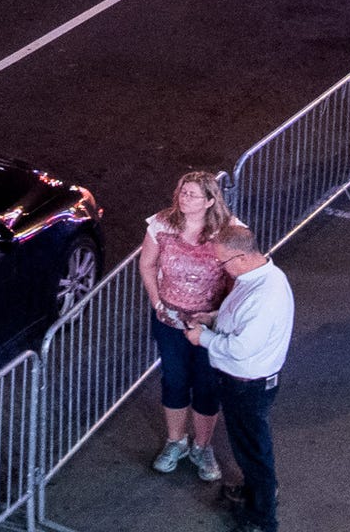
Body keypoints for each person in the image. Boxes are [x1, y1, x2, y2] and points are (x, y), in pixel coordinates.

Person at [137, 171, 239, 483]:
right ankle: (175, 441)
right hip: (170, 322)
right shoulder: (162, 224)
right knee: (175, 380)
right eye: (183, 192)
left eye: (193, 194)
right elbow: (147, 264)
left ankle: (202, 446)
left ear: (210, 200)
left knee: (207, 385)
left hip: (210, 326)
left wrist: (216, 313)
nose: (184, 198)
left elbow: (239, 278)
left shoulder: (229, 232)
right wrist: (157, 303)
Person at [186, 229, 291, 532]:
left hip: (247, 384)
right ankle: (256, 493)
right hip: (248, 382)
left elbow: (243, 346)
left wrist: (202, 337)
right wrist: (213, 318)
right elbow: (239, 320)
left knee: (253, 451)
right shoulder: (260, 279)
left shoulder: (263, 295)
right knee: (250, 447)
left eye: (223, 262)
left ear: (243, 257)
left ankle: (262, 519)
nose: (221, 267)